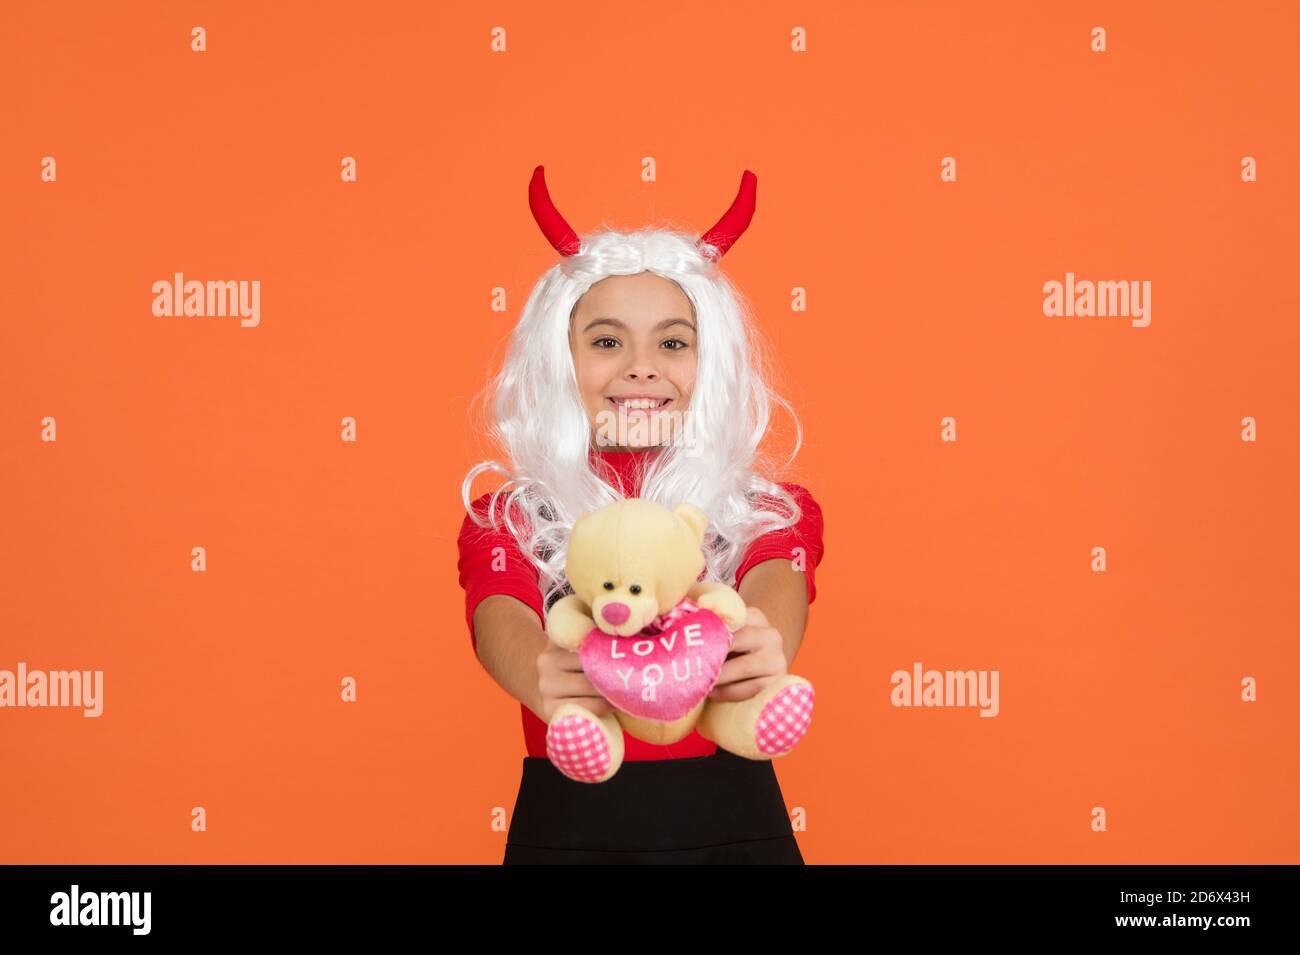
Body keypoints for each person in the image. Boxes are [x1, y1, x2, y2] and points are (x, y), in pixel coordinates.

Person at [456, 165, 826, 864]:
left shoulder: (768, 508)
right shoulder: (507, 515)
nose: (641, 367)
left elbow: (773, 578)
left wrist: (760, 640)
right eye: (605, 341)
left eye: (673, 342)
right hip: (567, 827)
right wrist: (540, 665)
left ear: (707, 363)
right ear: (559, 362)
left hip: (737, 827)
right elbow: (499, 612)